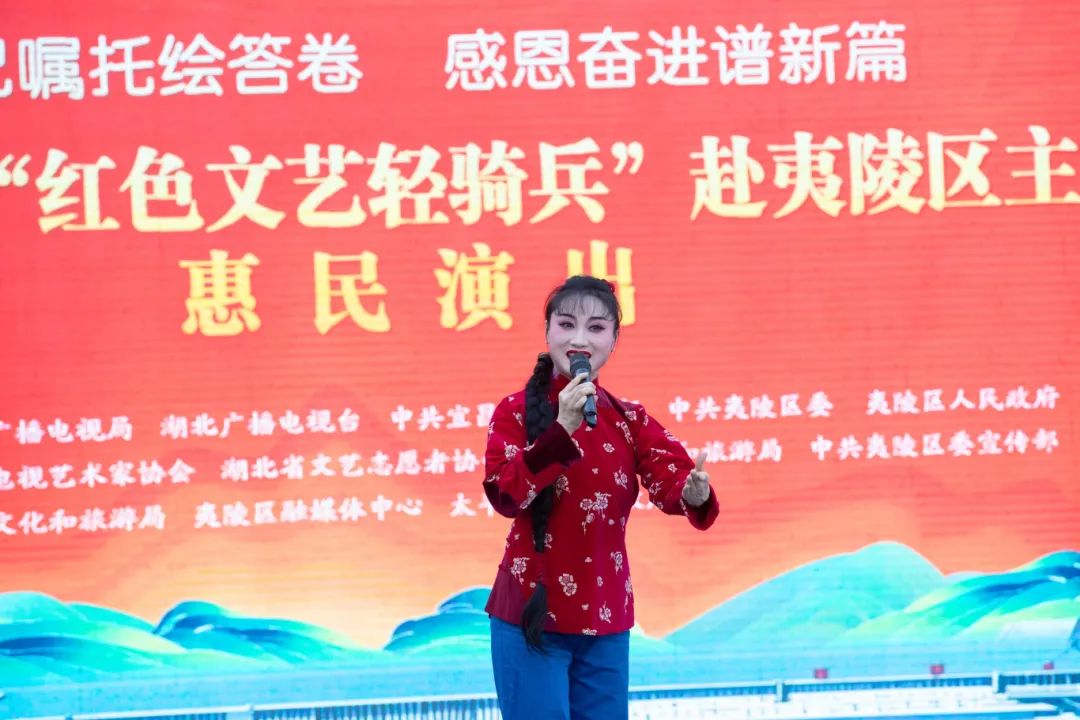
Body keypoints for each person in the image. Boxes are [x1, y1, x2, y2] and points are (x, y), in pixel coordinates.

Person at [482, 275, 718, 719]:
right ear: (547, 331)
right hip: (530, 617)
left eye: (595, 328)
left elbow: (671, 477)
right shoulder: (514, 412)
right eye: (566, 324)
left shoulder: (629, 419)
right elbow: (505, 494)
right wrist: (562, 429)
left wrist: (692, 492)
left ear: (613, 341)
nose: (579, 340)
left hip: (605, 616)